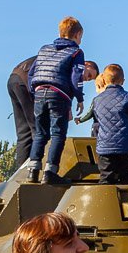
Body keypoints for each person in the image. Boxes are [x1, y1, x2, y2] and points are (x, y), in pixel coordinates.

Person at [25, 17, 94, 186]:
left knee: (40, 133)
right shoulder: (76, 52)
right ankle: (50, 172)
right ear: (78, 34)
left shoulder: (44, 49)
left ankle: (33, 171)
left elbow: (31, 73)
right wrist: (79, 98)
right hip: (58, 95)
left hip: (39, 92)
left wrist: (34, 91)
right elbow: (76, 76)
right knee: (58, 133)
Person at [80, 64, 128, 184]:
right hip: (126, 146)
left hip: (105, 147)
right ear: (123, 81)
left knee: (106, 179)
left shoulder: (97, 100)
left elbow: (98, 120)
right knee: (126, 179)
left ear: (104, 80)